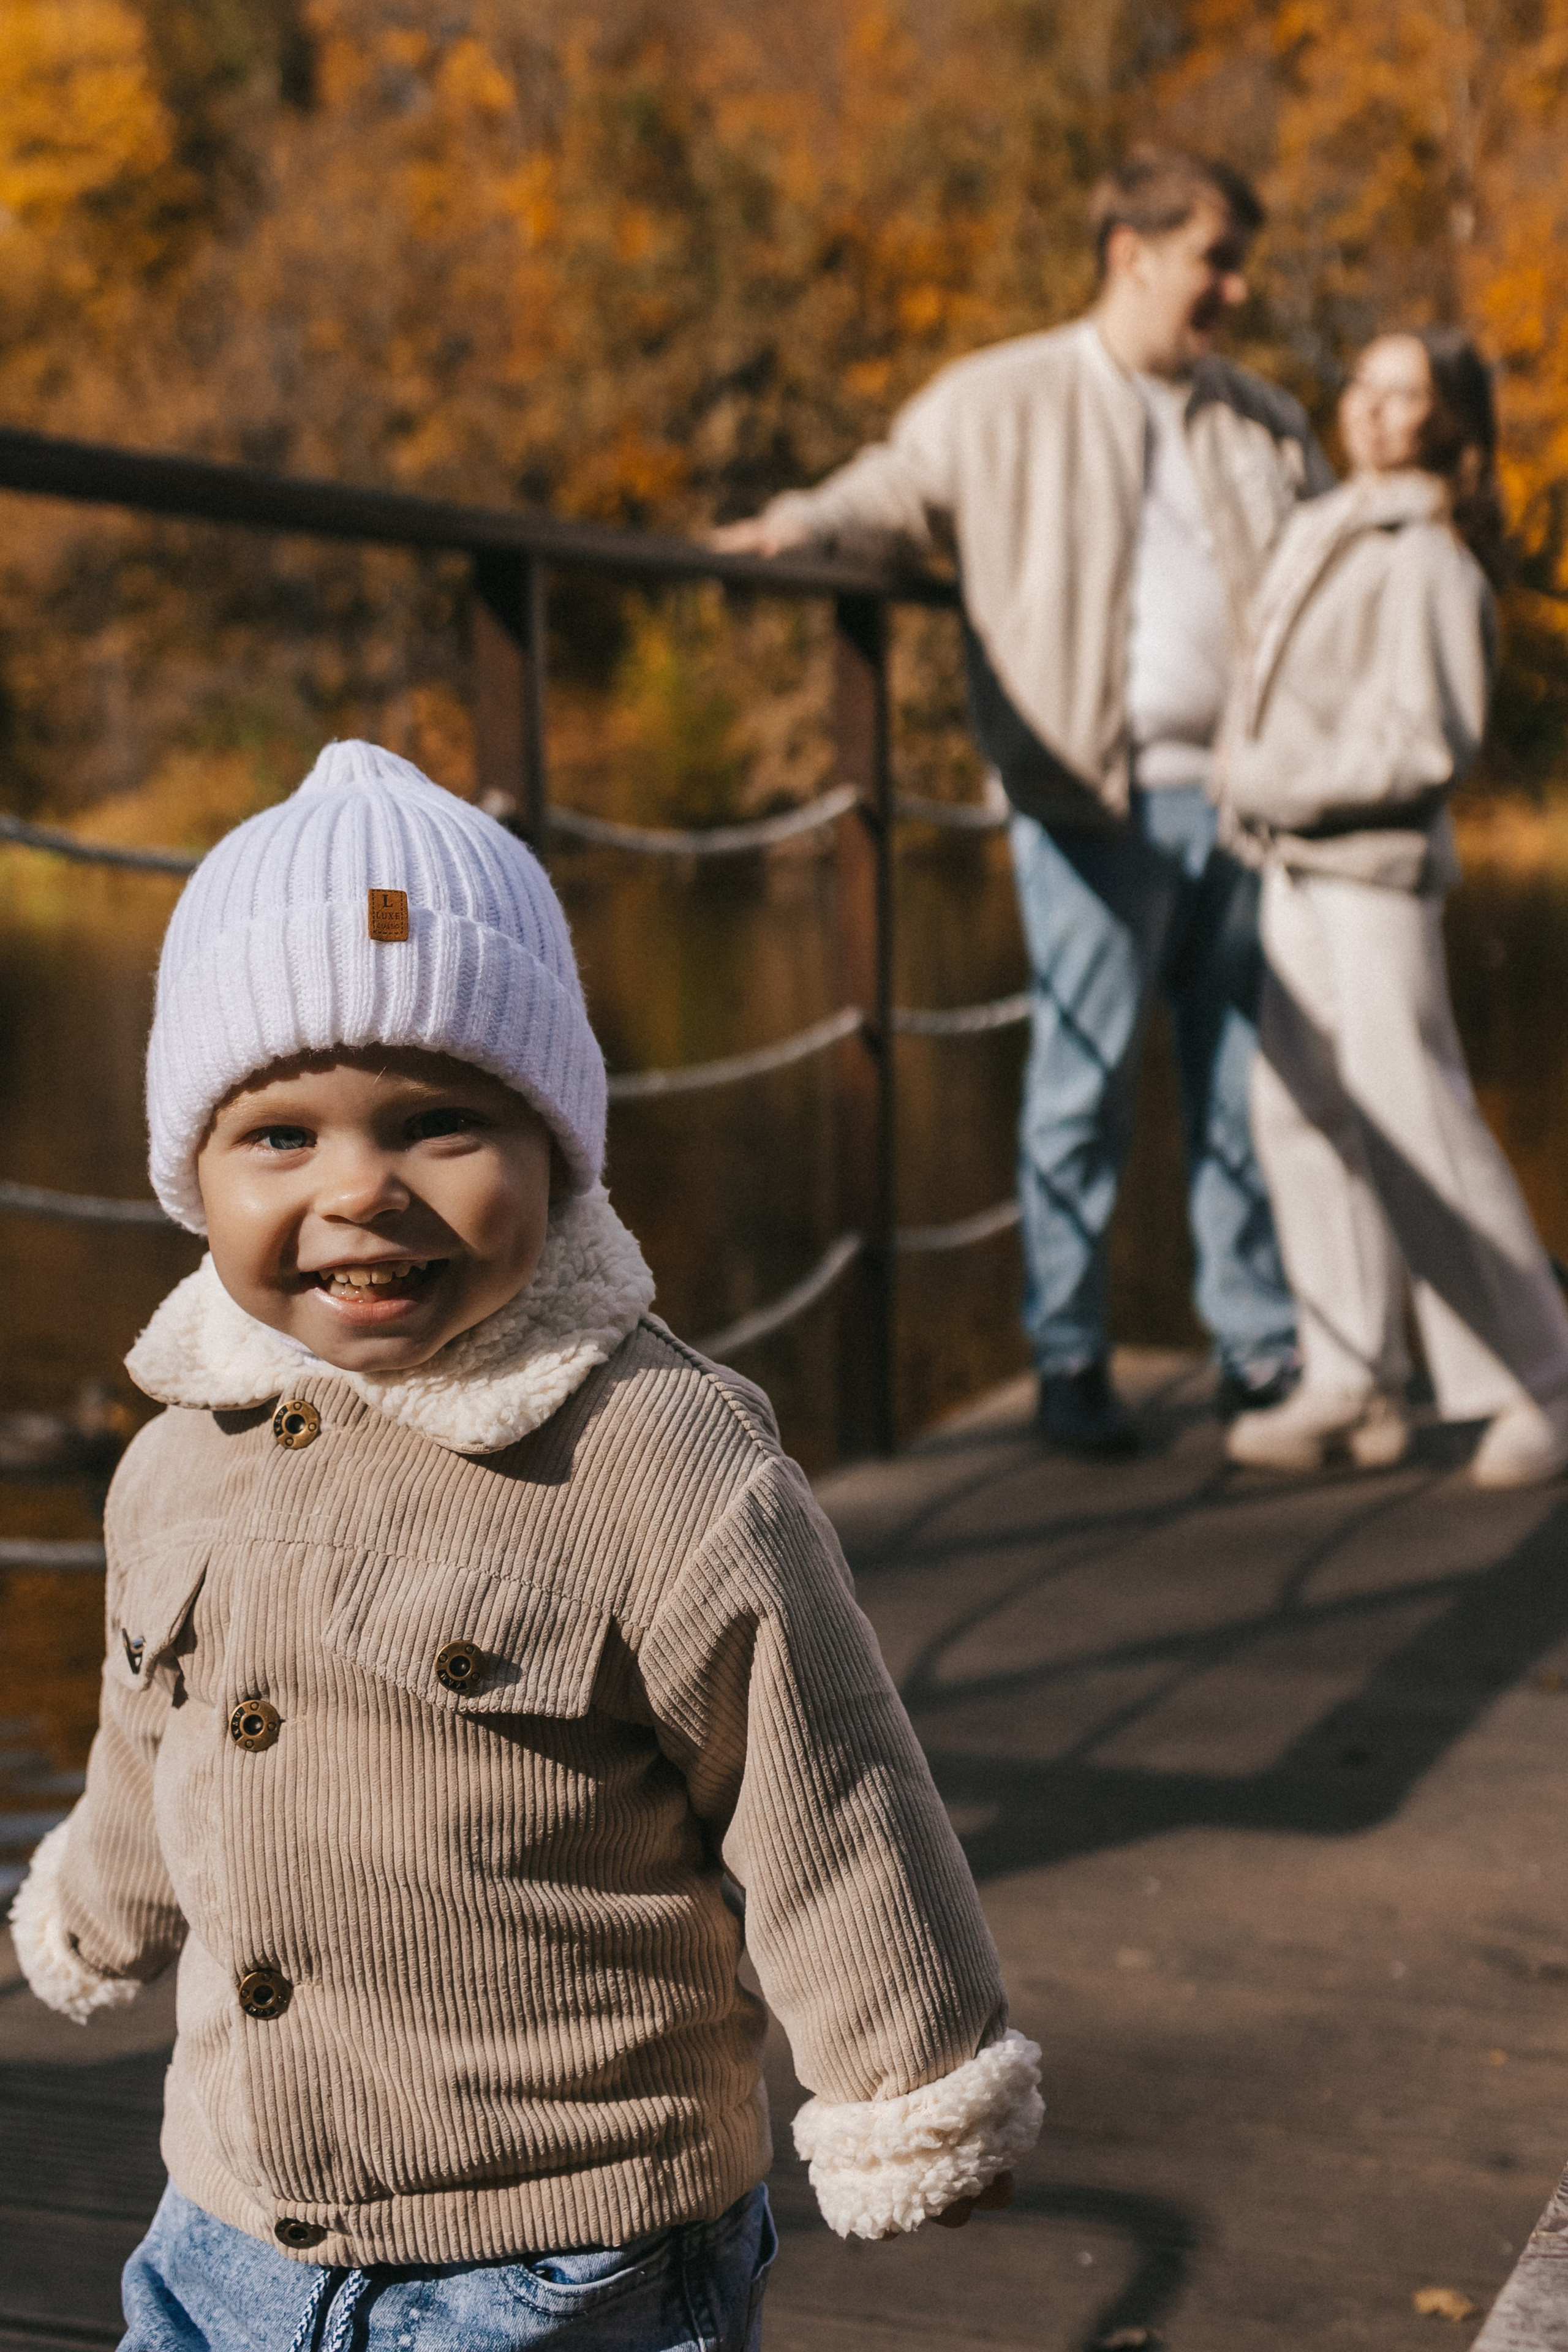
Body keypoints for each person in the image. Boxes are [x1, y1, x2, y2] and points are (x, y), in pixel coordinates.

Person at [9, 741, 1042, 2352]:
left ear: (556, 1148)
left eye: (439, 1124)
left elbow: (823, 1785)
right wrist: (95, 1900)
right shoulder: (171, 1461)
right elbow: (158, 1737)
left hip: (570, 2245)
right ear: (188, 1172)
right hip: (221, 2215)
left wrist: (911, 2077)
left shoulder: (655, 1457)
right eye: (279, 1136)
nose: (361, 1191)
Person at [715, 148, 1333, 1456]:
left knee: (1240, 1088)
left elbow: (1331, 579)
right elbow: (893, 490)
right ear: (1133, 253)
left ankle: (1257, 1345)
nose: (1232, 286)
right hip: (1084, 802)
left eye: (1238, 262)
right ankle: (1067, 1360)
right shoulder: (999, 398)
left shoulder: (1261, 419)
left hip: (1249, 805)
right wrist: (800, 522)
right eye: (1213, 257)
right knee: (1080, 1085)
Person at [1216, 331, 1568, 1486]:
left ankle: (1545, 1378)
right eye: (1363, 383)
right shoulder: (1330, 524)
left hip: (1368, 875)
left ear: (1450, 422)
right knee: (1298, 1112)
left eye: (1404, 393)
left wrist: (1271, 781)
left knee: (1416, 1113)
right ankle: (1352, 1382)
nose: (1370, 407)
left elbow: (1425, 744)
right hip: (1291, 866)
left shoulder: (1431, 556)